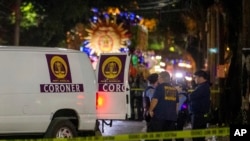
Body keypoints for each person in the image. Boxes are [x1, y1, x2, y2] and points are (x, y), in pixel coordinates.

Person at [147, 71, 179, 141]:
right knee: (167, 138)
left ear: (162, 78)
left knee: (153, 137)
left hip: (160, 117)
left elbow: (155, 100)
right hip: (171, 118)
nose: (158, 80)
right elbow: (176, 105)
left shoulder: (160, 87)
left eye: (158, 78)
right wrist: (175, 114)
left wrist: (150, 110)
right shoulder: (174, 90)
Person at [189, 70, 211, 141]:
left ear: (200, 77)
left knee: (197, 136)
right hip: (199, 114)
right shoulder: (202, 86)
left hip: (199, 115)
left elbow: (192, 96)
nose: (194, 79)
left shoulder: (203, 87)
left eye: (195, 77)